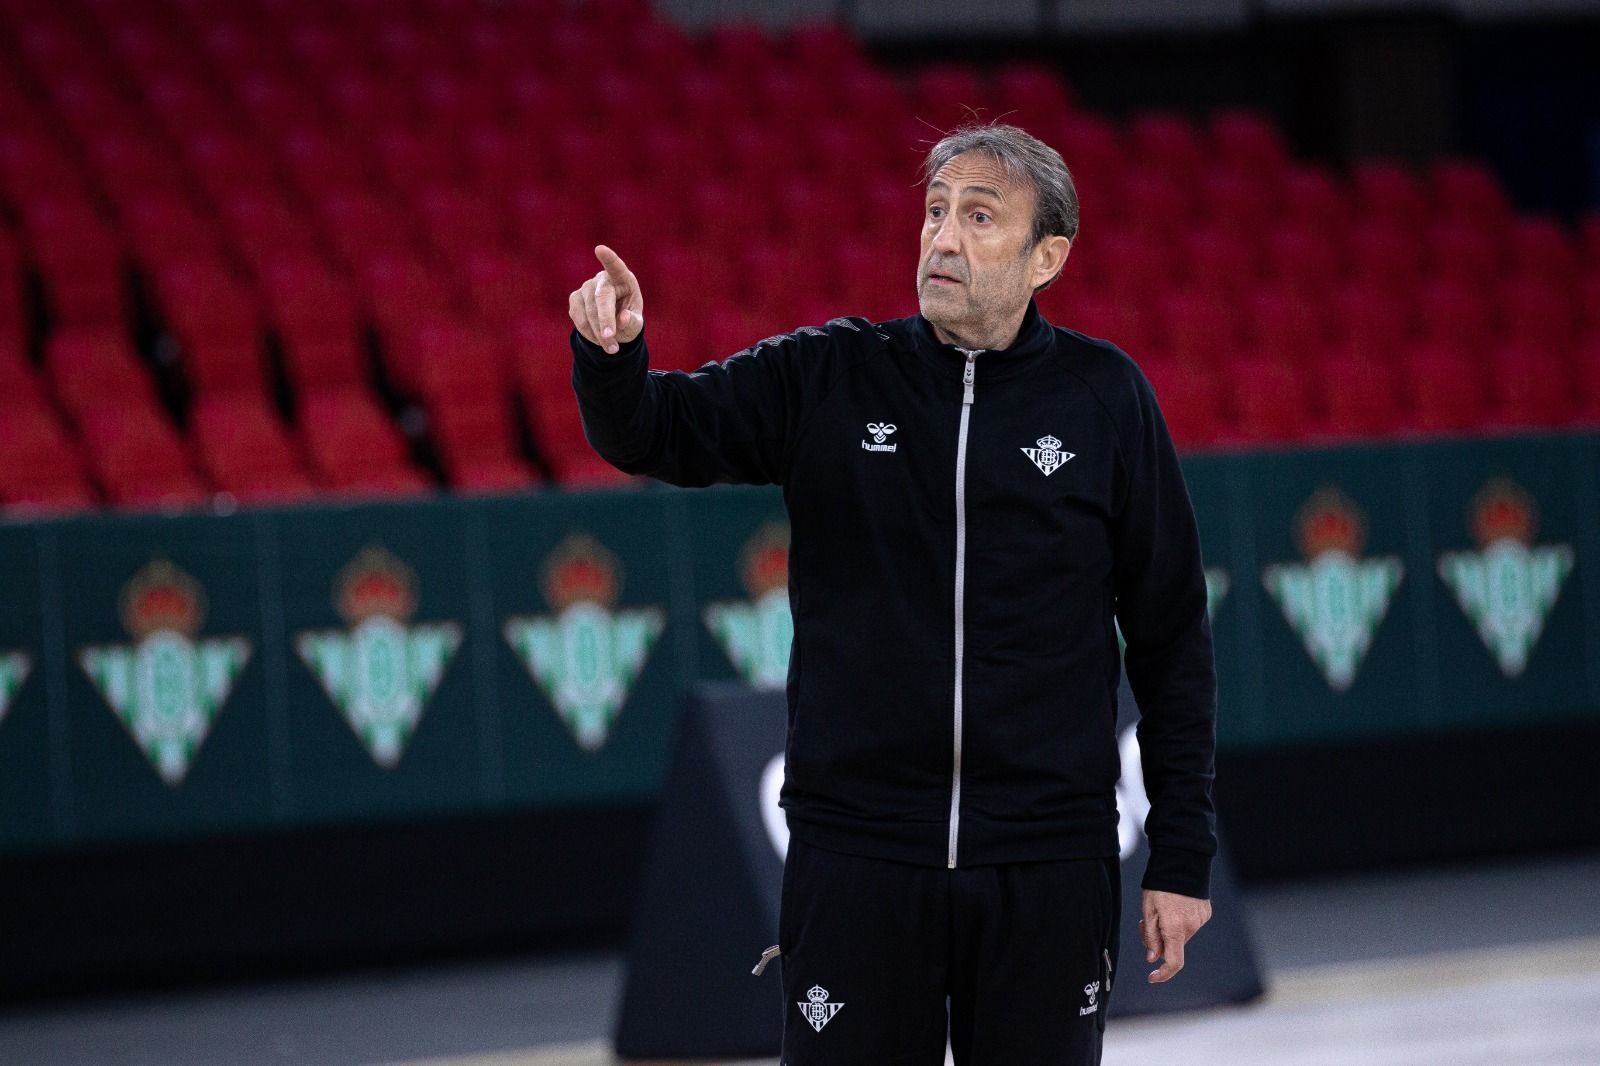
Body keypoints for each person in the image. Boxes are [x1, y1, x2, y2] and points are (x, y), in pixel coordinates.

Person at [568, 123, 1216, 1066]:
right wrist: (613, 357)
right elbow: (656, 433)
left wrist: (1182, 854)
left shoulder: (1105, 400)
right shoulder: (831, 374)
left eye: (980, 217)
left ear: (1049, 258)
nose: (943, 237)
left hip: (1047, 859)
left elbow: (1172, 642)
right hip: (858, 853)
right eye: (937, 211)